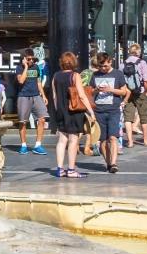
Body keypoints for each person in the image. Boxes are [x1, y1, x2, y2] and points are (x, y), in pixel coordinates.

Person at [45, 51, 89, 179]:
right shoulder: (75, 76)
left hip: (61, 111)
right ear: (73, 62)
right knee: (73, 140)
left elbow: (54, 96)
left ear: (61, 63)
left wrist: (58, 111)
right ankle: (71, 169)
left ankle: (59, 169)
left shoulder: (56, 76)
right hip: (74, 112)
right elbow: (81, 95)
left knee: (62, 140)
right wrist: (90, 110)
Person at [89, 51, 129, 174]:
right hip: (99, 110)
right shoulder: (95, 75)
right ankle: (108, 163)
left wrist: (110, 89)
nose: (103, 68)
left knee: (113, 137)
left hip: (113, 110)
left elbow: (124, 92)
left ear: (110, 62)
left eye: (105, 66)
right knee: (102, 140)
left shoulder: (118, 74)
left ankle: (114, 163)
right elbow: (90, 92)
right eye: (100, 66)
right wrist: (96, 90)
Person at [14, 48, 48, 156]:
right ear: (24, 59)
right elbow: (21, 80)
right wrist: (26, 67)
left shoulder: (36, 67)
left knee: (42, 119)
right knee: (23, 122)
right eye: (29, 59)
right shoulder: (19, 68)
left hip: (36, 95)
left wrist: (43, 95)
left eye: (32, 59)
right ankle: (23, 145)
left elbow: (38, 82)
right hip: (23, 96)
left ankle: (38, 145)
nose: (31, 61)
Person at [120, 41, 147, 149]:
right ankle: (146, 140)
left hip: (127, 93)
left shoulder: (122, 64)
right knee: (144, 116)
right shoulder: (142, 63)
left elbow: (121, 81)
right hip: (140, 91)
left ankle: (130, 142)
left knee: (128, 118)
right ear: (138, 52)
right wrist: (145, 90)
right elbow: (146, 80)